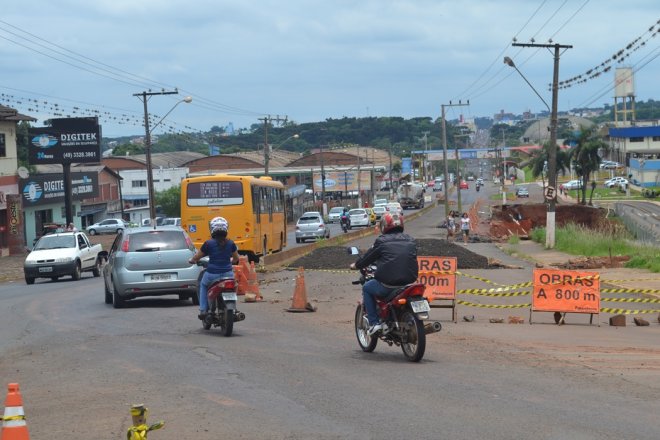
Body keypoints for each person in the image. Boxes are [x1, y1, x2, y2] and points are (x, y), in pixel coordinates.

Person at [349, 212, 418, 336]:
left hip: (388, 285)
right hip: (408, 283)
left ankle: (374, 323)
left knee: (367, 288)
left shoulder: (382, 241)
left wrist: (356, 265)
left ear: (384, 226)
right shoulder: (411, 240)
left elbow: (368, 258)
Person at [188, 216, 240, 319]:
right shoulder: (231, 243)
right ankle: (234, 307)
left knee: (202, 285)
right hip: (228, 274)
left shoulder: (208, 243)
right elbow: (236, 259)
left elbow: (197, 256)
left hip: (212, 274)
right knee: (234, 285)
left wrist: (192, 260)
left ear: (212, 229)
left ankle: (203, 309)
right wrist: (231, 261)